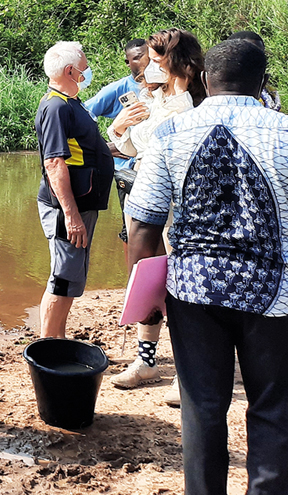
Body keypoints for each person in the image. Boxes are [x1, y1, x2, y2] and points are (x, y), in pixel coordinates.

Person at [125, 39, 288, 495]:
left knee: (203, 412)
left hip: (194, 294)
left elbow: (143, 225)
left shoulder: (171, 133)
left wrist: (147, 300)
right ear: (262, 83)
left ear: (204, 79)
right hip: (274, 298)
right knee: (273, 411)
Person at [108, 28, 204, 404]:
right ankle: (146, 361)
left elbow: (175, 145)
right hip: (146, 198)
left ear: (178, 64)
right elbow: (130, 146)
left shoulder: (200, 103)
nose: (148, 68)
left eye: (156, 61)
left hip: (186, 205)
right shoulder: (154, 97)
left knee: (185, 286)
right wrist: (119, 127)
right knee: (148, 279)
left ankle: (189, 371)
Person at [34, 41, 114, 339]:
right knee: (63, 276)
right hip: (68, 207)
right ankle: (49, 345)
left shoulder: (71, 104)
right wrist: (71, 215)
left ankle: (58, 339)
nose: (87, 71)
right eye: (84, 65)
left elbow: (83, 151)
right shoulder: (56, 107)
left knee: (70, 274)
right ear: (70, 70)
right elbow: (54, 162)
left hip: (82, 202)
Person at [85, 38, 148, 247]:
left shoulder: (159, 87)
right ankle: (132, 277)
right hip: (128, 172)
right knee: (131, 231)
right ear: (127, 62)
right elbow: (84, 114)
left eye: (148, 54)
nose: (145, 60)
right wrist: (105, 148)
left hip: (153, 167)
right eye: (137, 57)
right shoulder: (118, 88)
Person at [227, 30, 281, 111]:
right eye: (247, 55)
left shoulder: (271, 94)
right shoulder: (217, 93)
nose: (254, 60)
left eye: (259, 55)